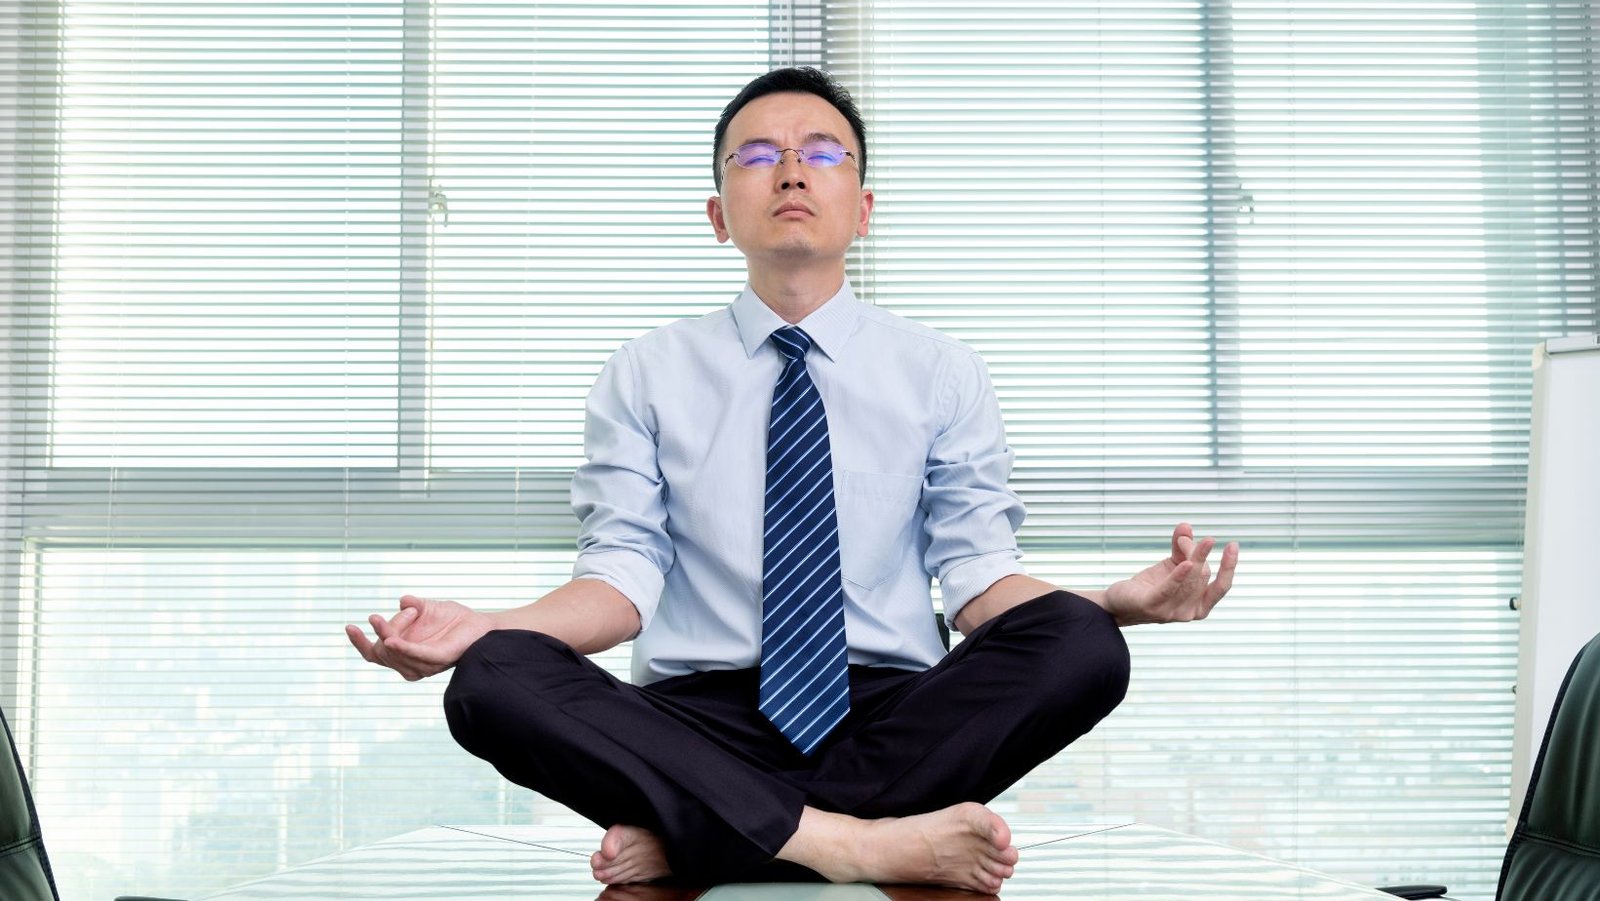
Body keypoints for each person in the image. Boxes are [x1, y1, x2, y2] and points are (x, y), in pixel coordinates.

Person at [346, 66, 1239, 895]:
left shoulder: (942, 372)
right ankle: (856, 840)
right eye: (758, 156)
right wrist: (485, 626)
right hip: (697, 720)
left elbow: (976, 581)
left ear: (865, 206)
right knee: (494, 677)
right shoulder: (644, 372)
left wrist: (1115, 600)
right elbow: (618, 583)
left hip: (893, 713)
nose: (791, 173)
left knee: (1081, 642)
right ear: (716, 211)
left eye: (822, 154)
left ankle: (711, 828)